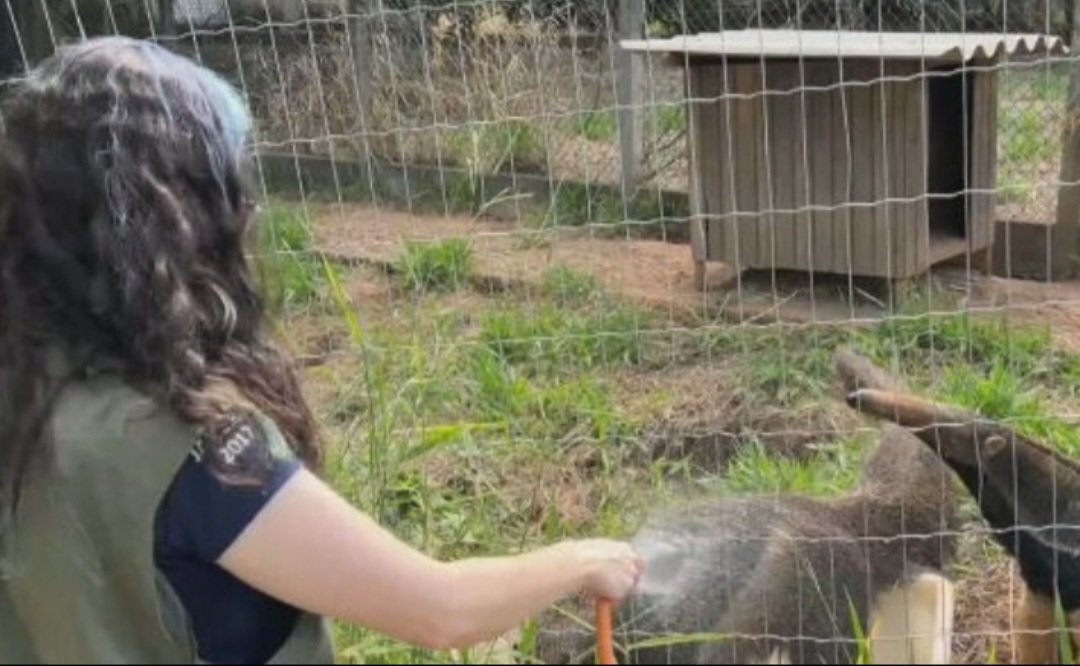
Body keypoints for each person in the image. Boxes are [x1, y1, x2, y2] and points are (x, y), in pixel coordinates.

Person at [0, 37, 643, 664]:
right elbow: (439, 610)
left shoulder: (27, 398)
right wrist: (582, 561)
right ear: (173, 223)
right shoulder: (186, 450)